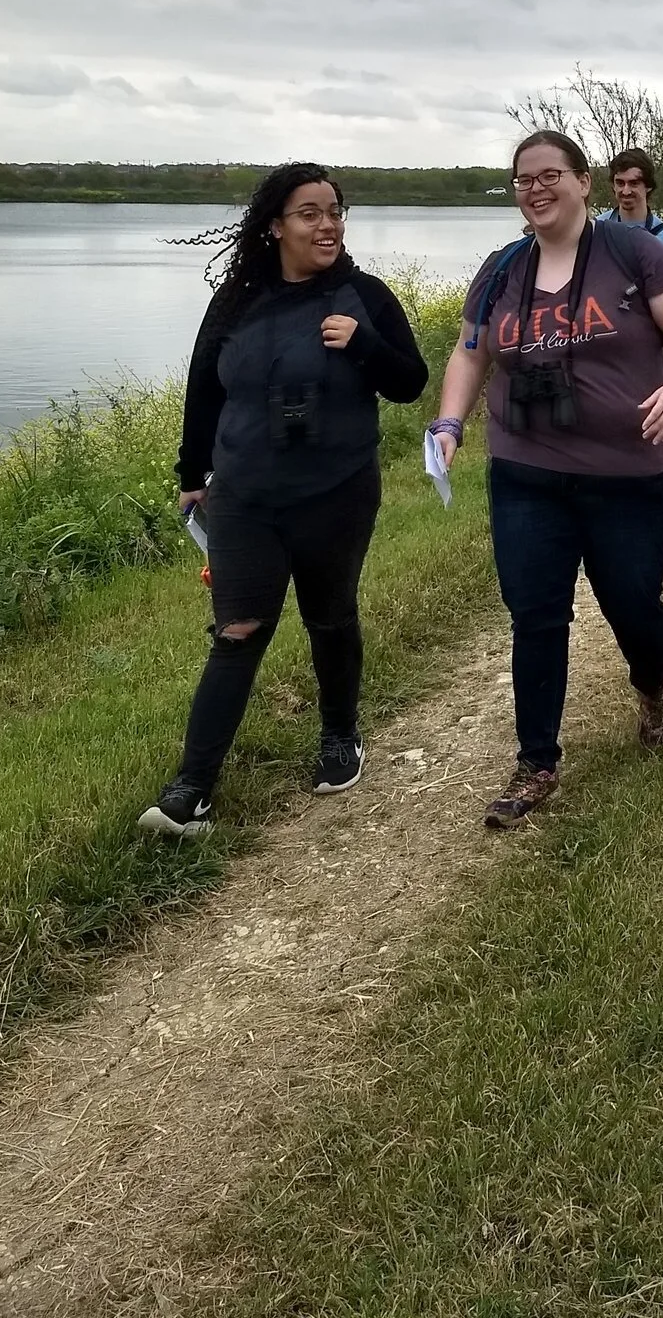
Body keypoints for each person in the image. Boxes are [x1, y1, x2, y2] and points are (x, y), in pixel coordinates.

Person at [431, 130, 663, 828]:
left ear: (583, 182)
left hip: (629, 475)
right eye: (523, 179)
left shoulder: (635, 252)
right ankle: (536, 763)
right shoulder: (500, 269)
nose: (536, 189)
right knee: (535, 614)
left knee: (633, 606)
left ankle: (650, 691)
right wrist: (449, 424)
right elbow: (470, 354)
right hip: (527, 473)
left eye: (550, 174)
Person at [140, 163, 428, 836]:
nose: (327, 224)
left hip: (337, 490)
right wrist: (192, 474)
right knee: (238, 630)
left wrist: (364, 346)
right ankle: (192, 790)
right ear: (275, 226)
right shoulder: (237, 301)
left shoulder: (364, 296)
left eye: (335, 211)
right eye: (309, 213)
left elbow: (410, 382)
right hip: (244, 496)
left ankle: (339, 735)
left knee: (329, 617)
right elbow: (203, 391)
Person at [596, 147, 663, 257]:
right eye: (620, 183)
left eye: (634, 183)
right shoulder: (597, 229)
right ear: (613, 185)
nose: (626, 191)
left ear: (648, 186)